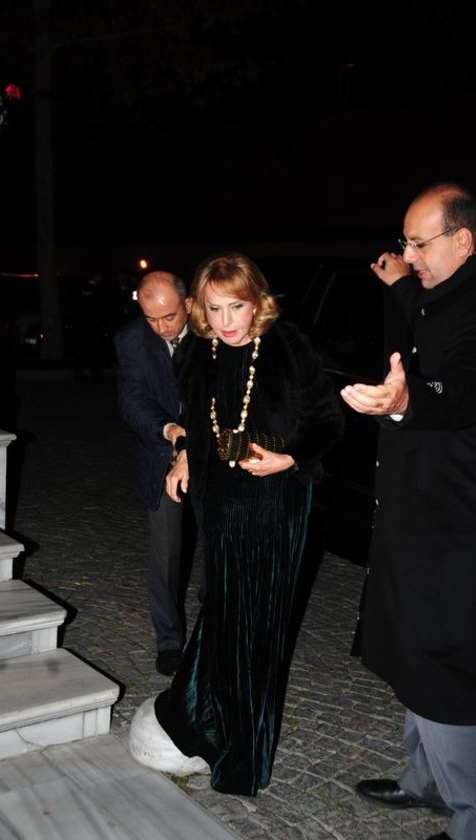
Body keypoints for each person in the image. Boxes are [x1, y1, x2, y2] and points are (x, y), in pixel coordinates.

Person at [128, 251, 345, 796]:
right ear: (199, 309)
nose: (226, 321)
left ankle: (245, 750)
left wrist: (289, 459)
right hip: (223, 505)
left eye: (237, 307)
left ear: (257, 303)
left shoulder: (288, 346)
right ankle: (206, 710)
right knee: (223, 610)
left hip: (277, 505)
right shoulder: (197, 355)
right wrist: (184, 457)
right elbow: (196, 423)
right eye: (214, 308)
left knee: (260, 623)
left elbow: (328, 420)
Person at [340, 182, 476, 840]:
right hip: (413, 514)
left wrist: (405, 402)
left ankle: (470, 819)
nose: (409, 253)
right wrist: (401, 281)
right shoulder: (438, 292)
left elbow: (465, 389)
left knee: (443, 665)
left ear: (464, 241)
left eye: (420, 243)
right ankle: (425, 782)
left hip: (455, 523)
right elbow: (425, 311)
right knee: (412, 654)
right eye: (405, 242)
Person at [114, 270, 197, 677]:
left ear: (189, 304)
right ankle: (169, 642)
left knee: (222, 547)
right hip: (163, 454)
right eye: (151, 319)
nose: (161, 327)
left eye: (169, 317)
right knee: (166, 555)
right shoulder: (131, 340)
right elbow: (132, 399)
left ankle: (215, 632)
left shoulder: (214, 330)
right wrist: (169, 430)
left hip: (214, 454)